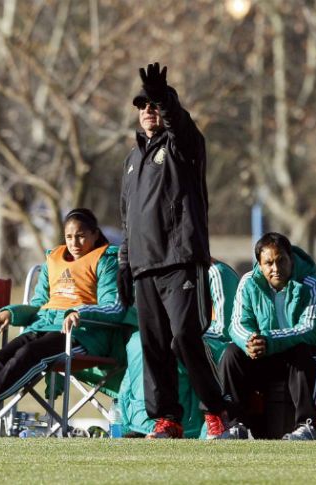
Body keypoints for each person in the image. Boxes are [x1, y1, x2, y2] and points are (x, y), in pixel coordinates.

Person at [117, 62, 230, 439]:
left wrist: (165, 98)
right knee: (153, 346)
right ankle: (167, 420)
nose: (148, 111)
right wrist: (123, 262)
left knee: (185, 337)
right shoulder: (132, 160)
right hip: (144, 266)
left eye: (154, 105)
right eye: (143, 105)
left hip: (180, 259)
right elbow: (127, 218)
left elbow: (178, 124)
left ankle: (217, 413)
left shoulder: (183, 146)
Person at [0, 208, 126, 436]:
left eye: (81, 235)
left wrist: (81, 312)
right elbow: (39, 304)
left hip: (82, 334)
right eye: (69, 237)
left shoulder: (106, 260)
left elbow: (114, 306)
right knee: (0, 357)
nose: (74, 242)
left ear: (95, 234)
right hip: (43, 325)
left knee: (31, 353)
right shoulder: (54, 260)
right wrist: (11, 312)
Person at [221, 232, 316, 440]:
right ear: (259, 264)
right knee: (231, 353)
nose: (275, 268)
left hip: (309, 357)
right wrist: (250, 342)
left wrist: (269, 340)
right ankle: (236, 425)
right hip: (265, 357)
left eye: (281, 260)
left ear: (290, 258)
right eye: (269, 263)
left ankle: (307, 426)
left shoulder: (312, 283)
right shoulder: (248, 283)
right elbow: (237, 324)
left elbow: (310, 328)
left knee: (301, 351)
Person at [118, 258, 240, 438]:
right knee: (140, 342)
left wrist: (178, 333)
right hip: (179, 338)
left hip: (214, 342)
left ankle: (193, 425)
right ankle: (143, 423)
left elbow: (224, 329)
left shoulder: (216, 273)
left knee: (179, 345)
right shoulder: (162, 273)